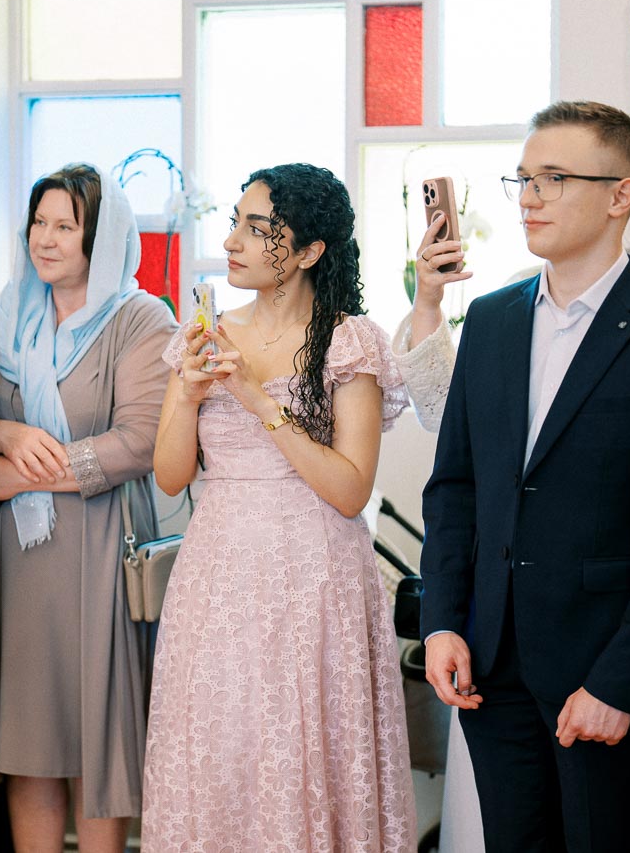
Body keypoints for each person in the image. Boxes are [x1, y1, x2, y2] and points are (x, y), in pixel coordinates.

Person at [396, 155, 630, 853]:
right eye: (525, 180)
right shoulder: (497, 315)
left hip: (609, 648)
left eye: (555, 180)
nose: (531, 197)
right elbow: (461, 477)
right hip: (495, 657)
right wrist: (444, 620)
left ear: (623, 196)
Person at [143, 163, 416, 849]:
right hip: (218, 571)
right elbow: (171, 477)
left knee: (307, 748)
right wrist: (187, 391)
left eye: (257, 228)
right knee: (222, 748)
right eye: (235, 221)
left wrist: (259, 401)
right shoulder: (204, 333)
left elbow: (350, 490)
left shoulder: (349, 341)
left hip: (315, 573)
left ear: (307, 252)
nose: (232, 239)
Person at [0, 163, 175, 852]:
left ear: (100, 239)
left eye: (64, 226)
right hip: (15, 560)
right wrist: (2, 433)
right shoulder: (11, 310)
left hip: (98, 544)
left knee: (97, 737)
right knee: (29, 736)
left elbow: (139, 444)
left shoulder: (140, 319)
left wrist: (20, 479)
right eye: (38, 223)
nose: (44, 240)